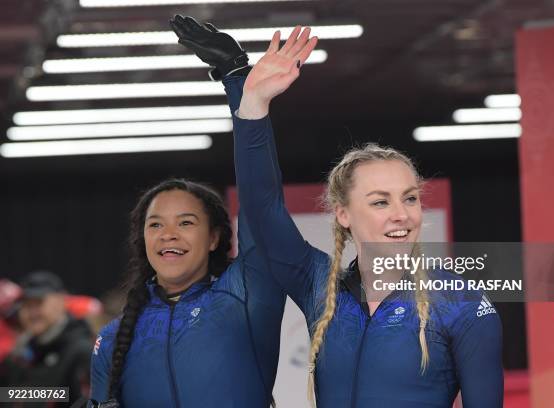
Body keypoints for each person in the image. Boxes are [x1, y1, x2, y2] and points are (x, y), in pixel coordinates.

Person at [171, 18, 504, 407]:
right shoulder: (319, 289)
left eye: (410, 198)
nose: (401, 214)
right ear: (343, 214)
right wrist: (250, 104)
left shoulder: (461, 305)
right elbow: (263, 211)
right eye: (380, 201)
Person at [89, 179, 286, 407]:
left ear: (213, 238)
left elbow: (261, 199)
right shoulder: (112, 337)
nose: (168, 234)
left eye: (185, 223)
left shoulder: (244, 303)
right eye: (155, 225)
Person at [1, 271, 93, 407]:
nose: (32, 313)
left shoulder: (82, 352)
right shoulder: (18, 355)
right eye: (25, 304)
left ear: (61, 301)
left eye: (39, 303)